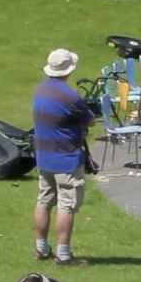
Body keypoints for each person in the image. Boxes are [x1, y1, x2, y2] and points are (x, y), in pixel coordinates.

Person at [32, 49, 94, 265]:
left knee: (44, 201)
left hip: (44, 155)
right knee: (66, 205)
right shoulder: (70, 96)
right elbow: (89, 120)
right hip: (65, 158)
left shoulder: (40, 90)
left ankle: (41, 248)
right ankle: (63, 254)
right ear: (68, 71)